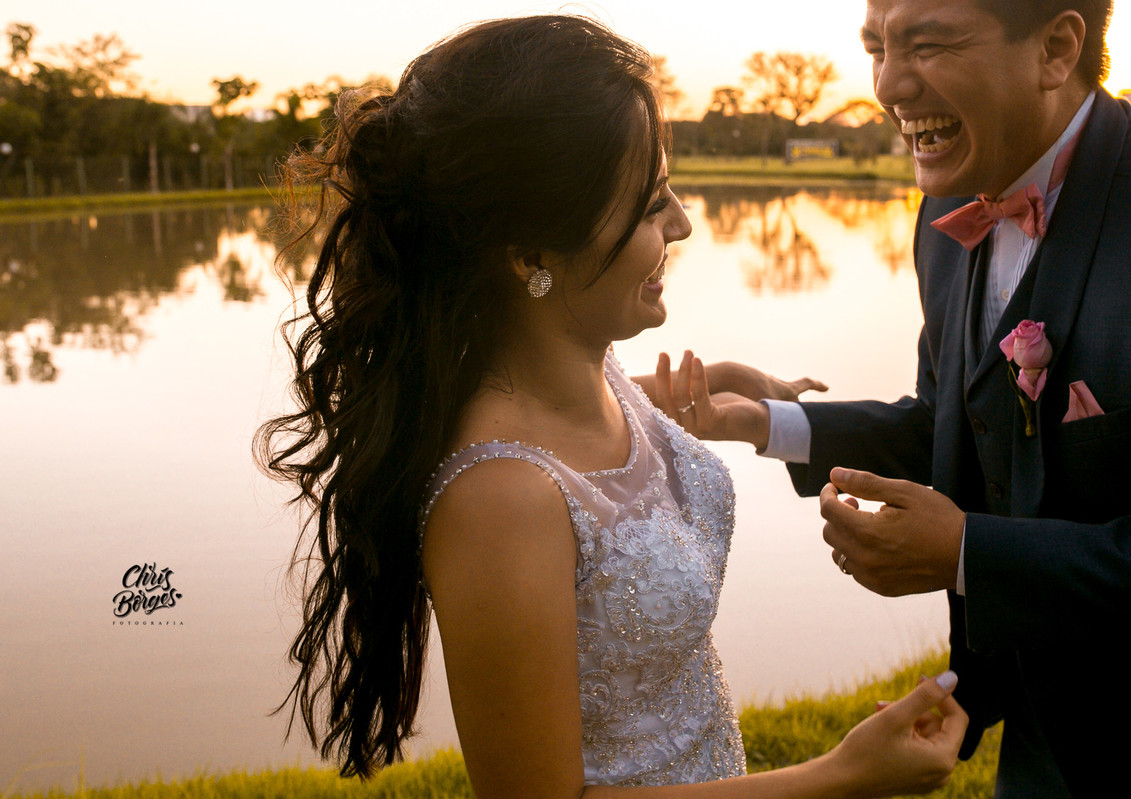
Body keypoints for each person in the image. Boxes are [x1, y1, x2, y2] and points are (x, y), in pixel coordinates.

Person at [257, 14, 969, 797]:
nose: (684, 225)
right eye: (650, 203)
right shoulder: (499, 499)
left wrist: (726, 389)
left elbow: (616, 441)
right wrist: (844, 773)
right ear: (531, 253)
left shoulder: (589, 373)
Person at [664, 0, 1131, 795]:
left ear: (1055, 48)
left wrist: (964, 554)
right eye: (876, 47)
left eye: (927, 44)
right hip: (1041, 751)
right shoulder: (944, 210)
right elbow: (953, 424)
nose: (886, 83)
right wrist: (766, 422)